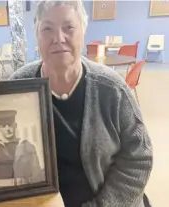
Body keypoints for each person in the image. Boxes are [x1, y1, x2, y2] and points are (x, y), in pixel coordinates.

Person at [10, 1, 153, 207]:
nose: (58, 39)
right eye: (47, 29)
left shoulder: (112, 89)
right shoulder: (17, 87)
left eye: (68, 27)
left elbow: (140, 157)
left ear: (83, 32)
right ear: (37, 36)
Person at [0, 110, 43, 193]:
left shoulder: (27, 146)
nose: (7, 129)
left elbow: (37, 176)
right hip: (0, 194)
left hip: (25, 192)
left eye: (10, 125)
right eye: (3, 126)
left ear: (15, 125)